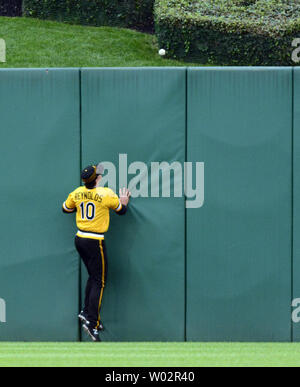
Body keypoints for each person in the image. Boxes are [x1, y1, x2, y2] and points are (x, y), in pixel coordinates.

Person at [62, 163, 130, 342]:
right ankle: (92, 321)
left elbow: (66, 208)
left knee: (93, 277)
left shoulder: (76, 193)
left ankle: (87, 312)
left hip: (80, 238)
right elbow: (121, 211)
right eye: (99, 174)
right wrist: (124, 201)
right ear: (97, 179)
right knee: (99, 280)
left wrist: (83, 203)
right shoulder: (105, 194)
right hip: (94, 240)